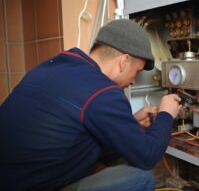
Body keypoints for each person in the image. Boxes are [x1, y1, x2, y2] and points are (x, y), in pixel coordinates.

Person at [0, 19, 182, 190]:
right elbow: (146, 156)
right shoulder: (103, 92)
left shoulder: (54, 65)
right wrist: (166, 113)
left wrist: (131, 123)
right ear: (123, 62)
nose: (134, 81)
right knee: (141, 179)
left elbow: (91, 132)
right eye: (137, 72)